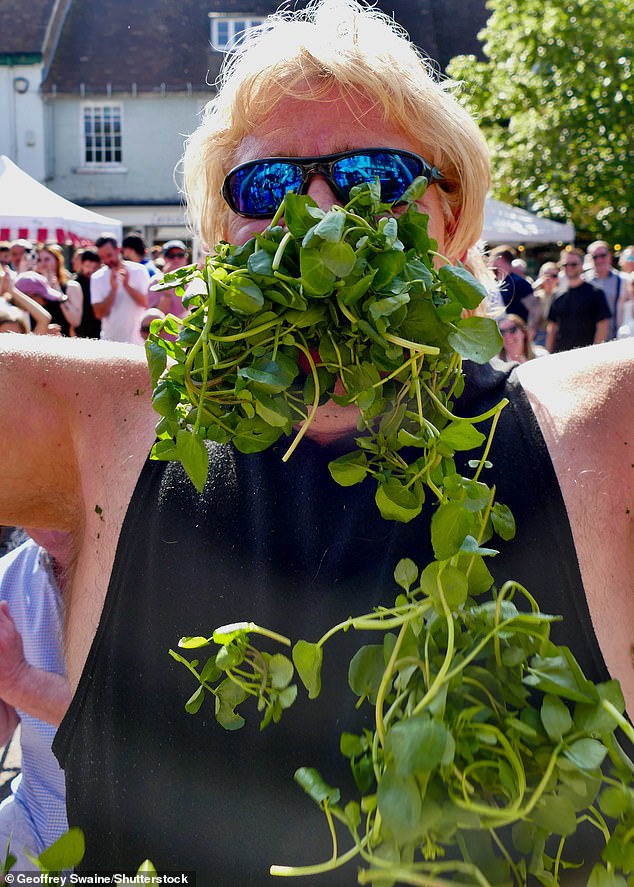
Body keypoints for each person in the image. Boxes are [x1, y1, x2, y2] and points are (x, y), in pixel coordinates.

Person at [0, 0, 632, 877]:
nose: (323, 210)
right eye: (269, 186)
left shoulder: (585, 432)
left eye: (374, 175)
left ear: (449, 220)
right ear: (224, 239)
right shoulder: (120, 426)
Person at [0, 537, 70, 868]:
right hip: (32, 822)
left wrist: (19, 680)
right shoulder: (9, 578)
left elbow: (151, 724)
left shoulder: (163, 569)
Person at [546, 247, 611, 352]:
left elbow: (602, 326)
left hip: (586, 356)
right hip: (560, 355)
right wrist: (548, 353)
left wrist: (596, 353)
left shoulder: (596, 293)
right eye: (565, 265)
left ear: (581, 265)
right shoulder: (557, 294)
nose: (569, 267)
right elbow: (552, 327)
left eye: (573, 264)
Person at [90, 233, 150, 345]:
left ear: (118, 250)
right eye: (102, 257)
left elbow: (147, 303)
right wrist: (113, 291)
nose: (107, 261)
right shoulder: (97, 277)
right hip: (110, 342)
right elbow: (98, 313)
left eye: (109, 255)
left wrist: (127, 286)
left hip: (137, 342)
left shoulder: (139, 270)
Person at [35, 244, 83, 336]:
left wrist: (58, 293)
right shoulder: (34, 288)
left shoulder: (71, 286)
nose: (43, 264)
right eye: (39, 260)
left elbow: (76, 321)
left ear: (57, 261)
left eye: (47, 259)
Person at [584, 240, 626, 340]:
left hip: (614, 337)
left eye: (602, 255)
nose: (599, 260)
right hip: (589, 338)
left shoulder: (622, 280)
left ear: (610, 255)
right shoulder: (584, 280)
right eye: (595, 257)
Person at [487, 245, 535, 324]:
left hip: (515, 332)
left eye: (492, 258)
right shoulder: (495, 283)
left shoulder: (519, 282)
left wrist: (530, 330)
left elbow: (534, 308)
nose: (489, 261)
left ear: (500, 259)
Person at [148, 239, 190, 317]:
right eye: (171, 256)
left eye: (180, 255)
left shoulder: (194, 280)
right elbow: (154, 317)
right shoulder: (155, 283)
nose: (176, 259)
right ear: (163, 258)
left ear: (186, 257)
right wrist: (167, 292)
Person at [72, 248, 102, 339]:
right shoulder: (75, 284)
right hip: (79, 333)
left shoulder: (102, 282)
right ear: (82, 264)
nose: (91, 270)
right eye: (88, 266)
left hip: (98, 332)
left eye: (95, 267)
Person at [531, 260, 560, 347]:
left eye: (554, 276)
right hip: (540, 337)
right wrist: (535, 285)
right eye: (546, 276)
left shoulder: (561, 296)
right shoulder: (536, 296)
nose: (550, 279)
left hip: (558, 336)